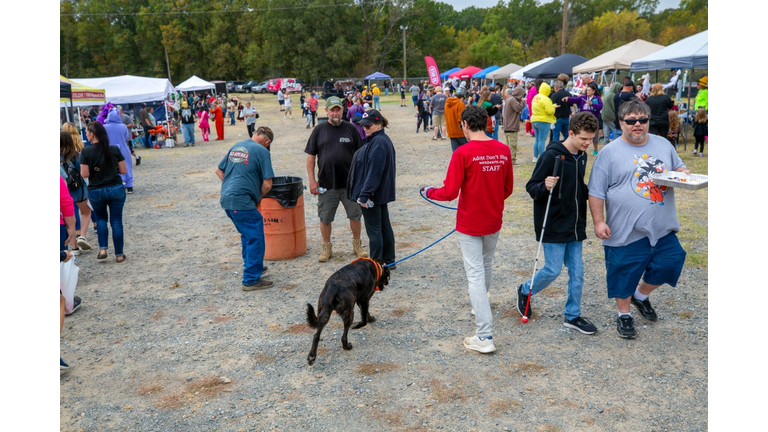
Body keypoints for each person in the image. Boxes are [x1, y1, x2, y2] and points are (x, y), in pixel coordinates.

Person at [588, 98, 690, 339]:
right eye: (631, 121)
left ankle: (641, 295)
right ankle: (624, 314)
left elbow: (679, 167)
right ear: (621, 123)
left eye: (642, 120)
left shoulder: (663, 144)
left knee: (672, 261)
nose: (638, 125)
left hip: (662, 226)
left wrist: (683, 173)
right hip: (625, 229)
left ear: (648, 121)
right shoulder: (609, 153)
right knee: (623, 272)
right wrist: (598, 221)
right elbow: (596, 191)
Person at [421, 105, 514, 354]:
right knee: (485, 264)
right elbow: (507, 189)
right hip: (493, 219)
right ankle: (479, 303)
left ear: (464, 125)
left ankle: (484, 336)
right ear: (486, 122)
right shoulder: (503, 150)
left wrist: (428, 192)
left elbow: (449, 192)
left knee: (475, 273)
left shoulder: (463, 152)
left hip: (471, 223)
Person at [516, 112, 599, 335]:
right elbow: (532, 188)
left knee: (578, 272)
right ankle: (525, 290)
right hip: (553, 223)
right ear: (570, 133)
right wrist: (545, 186)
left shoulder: (582, 156)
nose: (587, 143)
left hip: (575, 225)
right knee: (552, 270)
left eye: (591, 139)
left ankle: (572, 315)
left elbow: (578, 186)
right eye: (583, 139)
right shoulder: (551, 155)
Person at [304, 96, 367, 262]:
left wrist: (361, 180)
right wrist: (312, 181)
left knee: (355, 215)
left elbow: (361, 156)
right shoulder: (319, 130)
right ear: (326, 111)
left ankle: (357, 245)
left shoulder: (351, 129)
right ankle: (326, 248)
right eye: (332, 110)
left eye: (338, 109)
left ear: (342, 110)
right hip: (326, 184)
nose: (335, 113)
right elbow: (310, 157)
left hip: (350, 184)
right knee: (325, 217)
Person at [216, 126, 275, 290]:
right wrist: (256, 197)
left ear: (254, 134)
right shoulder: (263, 152)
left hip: (228, 200)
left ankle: (253, 265)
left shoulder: (237, 146)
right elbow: (268, 184)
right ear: (267, 142)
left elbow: (219, 170)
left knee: (247, 234)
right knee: (255, 237)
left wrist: (231, 188)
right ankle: (250, 280)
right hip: (242, 202)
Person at [348, 110, 397, 267]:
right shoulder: (380, 140)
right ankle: (388, 261)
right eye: (363, 126)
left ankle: (376, 264)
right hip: (379, 193)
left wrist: (365, 195)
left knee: (375, 230)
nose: (365, 129)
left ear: (378, 124)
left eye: (368, 125)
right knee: (383, 227)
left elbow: (374, 172)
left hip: (373, 195)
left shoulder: (378, 143)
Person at [80, 122, 128, 263]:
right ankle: (119, 254)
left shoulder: (86, 152)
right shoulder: (113, 150)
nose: (86, 135)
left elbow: (84, 174)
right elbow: (124, 170)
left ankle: (103, 249)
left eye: (87, 132)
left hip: (96, 190)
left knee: (101, 219)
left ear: (93, 133)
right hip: (115, 188)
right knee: (116, 221)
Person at [61, 124, 93, 254]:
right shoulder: (76, 155)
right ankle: (82, 235)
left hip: (63, 192)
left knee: (69, 220)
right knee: (86, 212)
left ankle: (74, 247)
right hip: (78, 189)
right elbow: (83, 173)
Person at [563, 82, 603, 155]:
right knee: (582, 133)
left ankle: (595, 149)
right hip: (583, 119)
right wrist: (567, 99)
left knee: (595, 135)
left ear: (593, 91)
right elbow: (574, 99)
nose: (587, 92)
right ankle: (580, 149)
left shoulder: (597, 98)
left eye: (589, 90)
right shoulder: (583, 97)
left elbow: (600, 107)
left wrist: (592, 104)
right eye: (587, 90)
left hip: (594, 118)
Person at [103, 108, 135, 193]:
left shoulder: (104, 127)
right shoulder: (123, 126)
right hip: (123, 148)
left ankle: (115, 185)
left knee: (111, 167)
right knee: (127, 166)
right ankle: (129, 185)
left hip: (110, 149)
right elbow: (127, 137)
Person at [531, 82, 556, 163]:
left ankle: (535, 157)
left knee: (537, 139)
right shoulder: (546, 99)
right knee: (542, 140)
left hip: (534, 119)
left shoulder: (536, 97)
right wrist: (553, 107)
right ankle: (542, 158)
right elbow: (549, 111)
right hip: (543, 120)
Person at [502, 86, 525, 165]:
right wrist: (522, 102)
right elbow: (518, 108)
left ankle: (508, 160)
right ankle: (512, 160)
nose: (522, 97)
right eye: (522, 95)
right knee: (512, 145)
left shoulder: (509, 99)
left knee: (508, 145)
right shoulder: (512, 99)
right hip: (511, 126)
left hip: (507, 125)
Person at [445, 87, 467, 152]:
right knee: (468, 152)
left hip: (451, 131)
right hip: (460, 132)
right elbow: (461, 119)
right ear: (463, 97)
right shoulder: (460, 104)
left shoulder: (447, 104)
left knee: (456, 153)